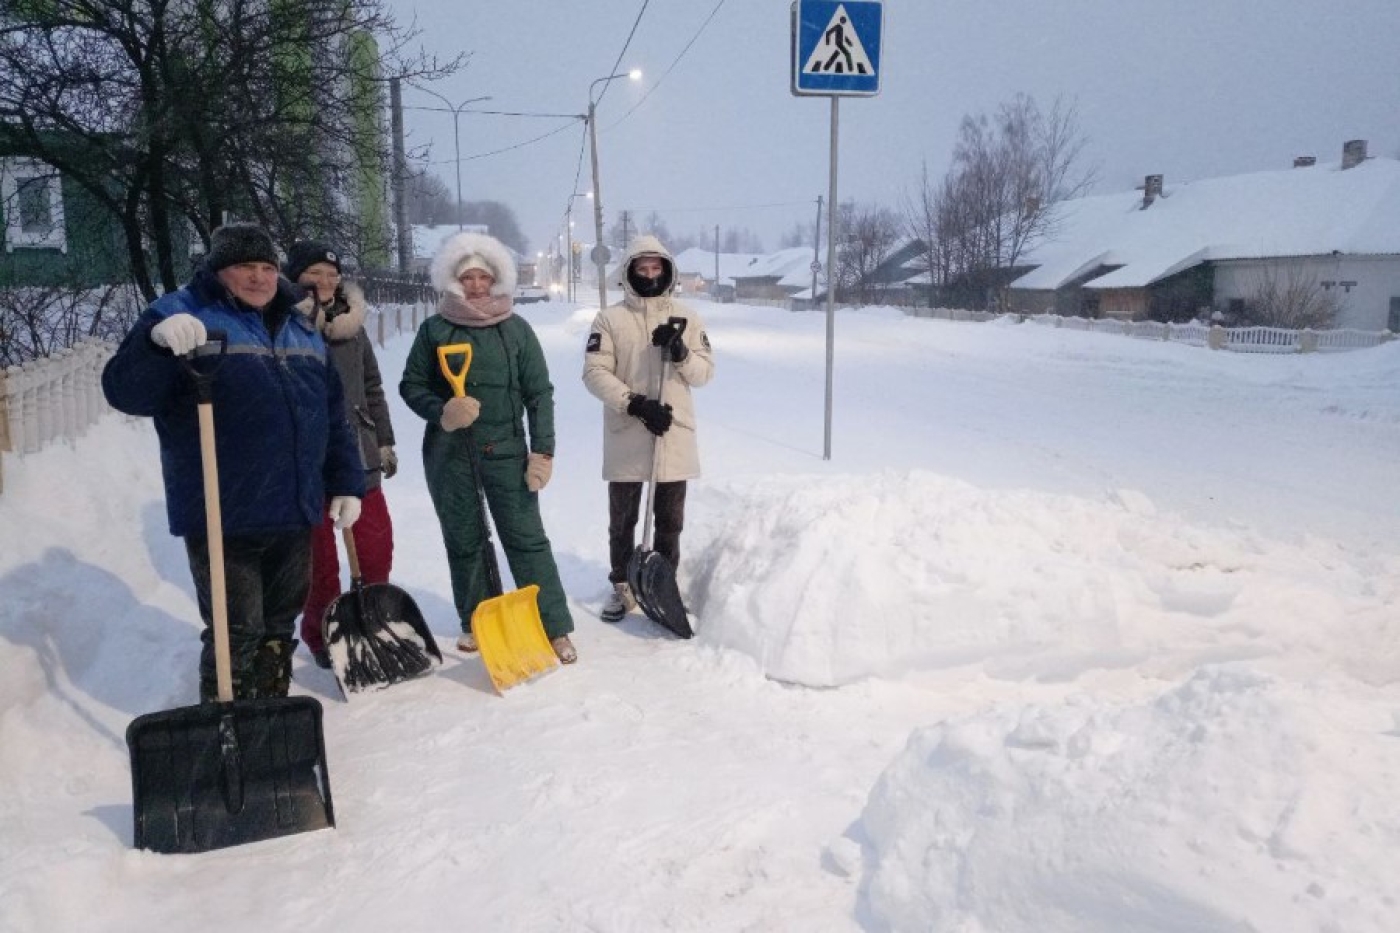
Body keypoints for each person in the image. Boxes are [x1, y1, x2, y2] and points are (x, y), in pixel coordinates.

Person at [102, 223, 365, 702]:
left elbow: (331, 415)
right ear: (220, 270)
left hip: (294, 507)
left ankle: (271, 720)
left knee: (278, 627)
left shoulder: (300, 326)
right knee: (236, 630)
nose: (260, 277)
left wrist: (347, 482)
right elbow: (126, 393)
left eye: (267, 267)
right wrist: (154, 346)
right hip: (224, 510)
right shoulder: (182, 314)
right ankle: (228, 729)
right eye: (246, 266)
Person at [398, 231, 577, 664]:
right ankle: (479, 619)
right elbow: (411, 384)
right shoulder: (435, 329)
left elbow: (540, 394)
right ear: (454, 282)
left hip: (508, 452)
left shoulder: (515, 329)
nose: (476, 285)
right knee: (465, 538)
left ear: (497, 279)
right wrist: (442, 410)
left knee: (526, 538)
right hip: (451, 453)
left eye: (483, 277)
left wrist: (543, 452)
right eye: (468, 278)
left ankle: (552, 626)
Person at [582, 234, 714, 622]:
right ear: (629, 271)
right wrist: (635, 403)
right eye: (643, 268)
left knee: (670, 521)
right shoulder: (610, 319)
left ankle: (663, 585)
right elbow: (594, 373)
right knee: (623, 520)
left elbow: (705, 373)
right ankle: (623, 586)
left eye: (657, 268)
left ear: (668, 271)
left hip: (674, 435)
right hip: (628, 433)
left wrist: (680, 352)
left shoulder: (687, 318)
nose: (650, 275)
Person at [285, 240, 398, 669]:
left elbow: (372, 387)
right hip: (307, 458)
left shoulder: (353, 327)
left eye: (332, 275)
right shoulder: (282, 324)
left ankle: (373, 620)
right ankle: (321, 633)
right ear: (296, 279)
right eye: (315, 274)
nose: (326, 282)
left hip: (359, 451)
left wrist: (383, 440)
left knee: (374, 545)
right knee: (319, 562)